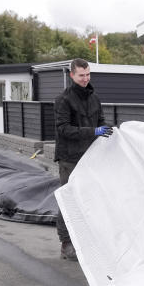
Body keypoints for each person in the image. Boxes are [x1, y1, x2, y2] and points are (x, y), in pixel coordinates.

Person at [54, 58, 114, 261]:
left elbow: (101, 120)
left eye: (88, 74)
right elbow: (63, 129)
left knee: (89, 198)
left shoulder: (94, 98)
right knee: (69, 199)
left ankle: (86, 239)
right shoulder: (64, 99)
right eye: (81, 75)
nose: (85, 79)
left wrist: (106, 129)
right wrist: (93, 131)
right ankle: (66, 244)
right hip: (70, 158)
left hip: (90, 157)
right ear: (72, 75)